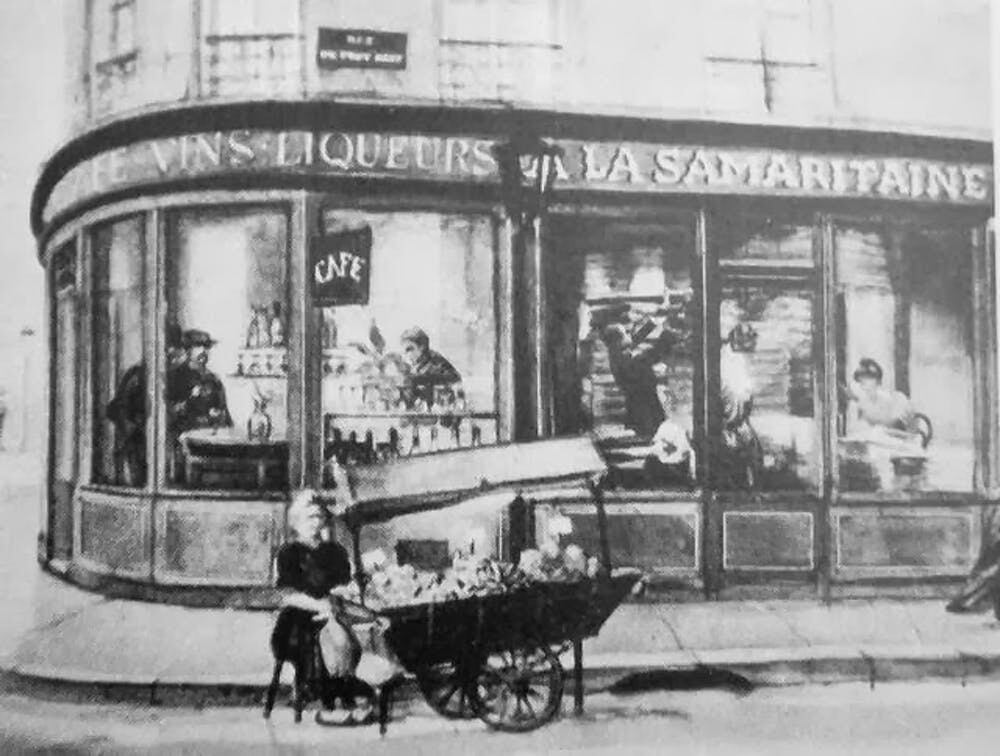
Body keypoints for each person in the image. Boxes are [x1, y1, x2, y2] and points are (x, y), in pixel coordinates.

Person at [273, 489, 363, 724]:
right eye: (309, 517)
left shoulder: (334, 552)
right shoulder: (289, 553)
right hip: (298, 617)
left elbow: (345, 585)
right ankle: (328, 703)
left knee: (355, 633)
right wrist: (319, 605)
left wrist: (342, 592)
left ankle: (350, 695)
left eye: (319, 517)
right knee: (319, 638)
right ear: (296, 521)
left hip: (332, 611)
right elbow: (287, 595)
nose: (315, 523)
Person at [106, 325, 186, 486]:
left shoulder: (174, 377)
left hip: (165, 445)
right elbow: (115, 409)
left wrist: (174, 412)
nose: (171, 355)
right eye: (167, 350)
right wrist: (137, 427)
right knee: (140, 483)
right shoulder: (137, 375)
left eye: (174, 351)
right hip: (139, 444)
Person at [168, 329, 233, 434]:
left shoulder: (213, 380)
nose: (204, 351)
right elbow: (168, 414)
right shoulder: (175, 376)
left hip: (209, 439)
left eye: (207, 347)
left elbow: (225, 417)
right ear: (187, 350)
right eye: (198, 346)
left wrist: (219, 416)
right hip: (182, 437)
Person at [847, 358, 915, 433]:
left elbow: (897, 423)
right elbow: (855, 429)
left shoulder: (891, 399)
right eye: (860, 380)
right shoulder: (858, 404)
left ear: (878, 381)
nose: (863, 382)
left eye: (869, 378)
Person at [399, 327, 461, 408]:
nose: (407, 354)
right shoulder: (417, 364)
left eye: (410, 349)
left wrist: (421, 379)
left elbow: (454, 378)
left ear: (422, 347)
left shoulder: (435, 361)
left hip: (440, 410)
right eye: (405, 351)